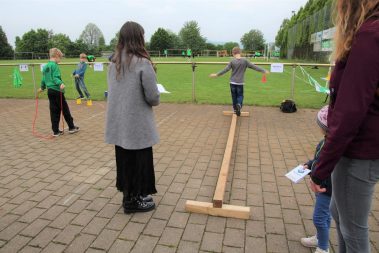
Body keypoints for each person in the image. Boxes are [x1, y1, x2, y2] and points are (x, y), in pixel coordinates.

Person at [309, 1, 379, 252]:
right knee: (339, 215)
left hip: (360, 151)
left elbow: (350, 111)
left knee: (353, 228)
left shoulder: (370, 35)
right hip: (358, 148)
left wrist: (320, 168)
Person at [105, 21, 160, 214]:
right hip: (136, 124)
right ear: (138, 38)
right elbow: (153, 97)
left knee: (125, 160)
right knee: (139, 160)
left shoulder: (113, 62)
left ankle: (129, 195)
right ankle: (134, 200)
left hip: (119, 123)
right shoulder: (142, 63)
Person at [301, 106, 332, 253]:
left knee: (319, 218)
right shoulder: (324, 142)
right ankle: (320, 238)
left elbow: (327, 164)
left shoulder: (332, 147)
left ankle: (323, 248)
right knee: (325, 216)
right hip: (322, 184)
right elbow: (319, 160)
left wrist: (317, 175)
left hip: (327, 188)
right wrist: (309, 164)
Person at [209, 47, 269, 116]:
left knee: (234, 97)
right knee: (240, 96)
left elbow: (225, 70)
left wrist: (216, 74)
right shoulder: (245, 61)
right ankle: (239, 105)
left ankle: (235, 109)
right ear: (240, 52)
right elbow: (254, 67)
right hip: (240, 83)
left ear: (233, 53)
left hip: (232, 82)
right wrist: (263, 70)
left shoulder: (232, 61)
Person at [38, 48, 80, 137]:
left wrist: (42, 87)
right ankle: (71, 127)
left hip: (50, 91)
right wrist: (60, 83)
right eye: (60, 57)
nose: (60, 60)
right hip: (57, 91)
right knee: (65, 110)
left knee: (54, 111)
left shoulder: (45, 66)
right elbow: (55, 77)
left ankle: (55, 131)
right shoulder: (54, 66)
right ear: (56, 56)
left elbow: (43, 79)